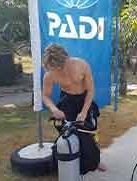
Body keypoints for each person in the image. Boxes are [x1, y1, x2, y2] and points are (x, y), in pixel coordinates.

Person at [42, 43, 107, 173]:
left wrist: (83, 112)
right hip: (67, 101)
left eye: (61, 66)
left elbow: (90, 91)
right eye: (55, 68)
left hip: (85, 99)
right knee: (69, 132)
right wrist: (54, 109)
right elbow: (45, 96)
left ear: (66, 58)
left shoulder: (82, 65)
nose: (59, 70)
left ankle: (96, 160)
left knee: (89, 132)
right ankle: (69, 161)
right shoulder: (50, 74)